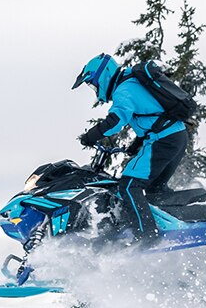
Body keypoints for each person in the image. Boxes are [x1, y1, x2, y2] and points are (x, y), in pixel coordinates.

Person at [72, 53, 189, 244]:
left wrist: (89, 136)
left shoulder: (123, 90)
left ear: (104, 75)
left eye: (93, 84)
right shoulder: (132, 83)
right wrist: (136, 145)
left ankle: (147, 235)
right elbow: (150, 116)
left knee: (128, 185)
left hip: (164, 139)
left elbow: (116, 121)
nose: (95, 90)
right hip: (176, 136)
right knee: (154, 189)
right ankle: (178, 223)